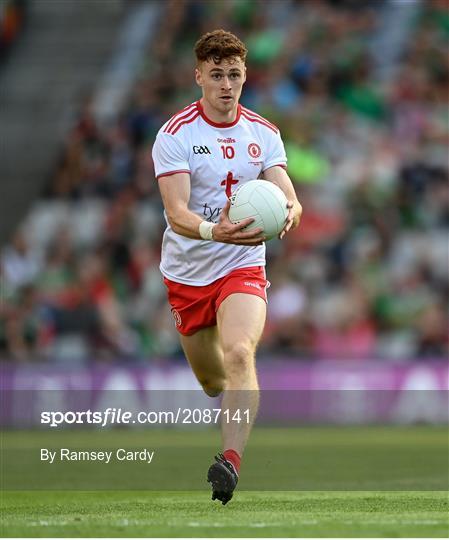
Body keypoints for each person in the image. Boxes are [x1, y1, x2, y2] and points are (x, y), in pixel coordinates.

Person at [152, 29, 302, 505]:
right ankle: (223, 398)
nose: (226, 84)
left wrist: (292, 211)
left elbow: (287, 193)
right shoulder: (176, 135)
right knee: (213, 380)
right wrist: (214, 231)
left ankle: (230, 463)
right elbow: (176, 213)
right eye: (216, 74)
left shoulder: (264, 132)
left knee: (239, 353)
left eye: (234, 74)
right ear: (199, 77)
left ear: (244, 76)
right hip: (189, 271)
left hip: (241, 263)